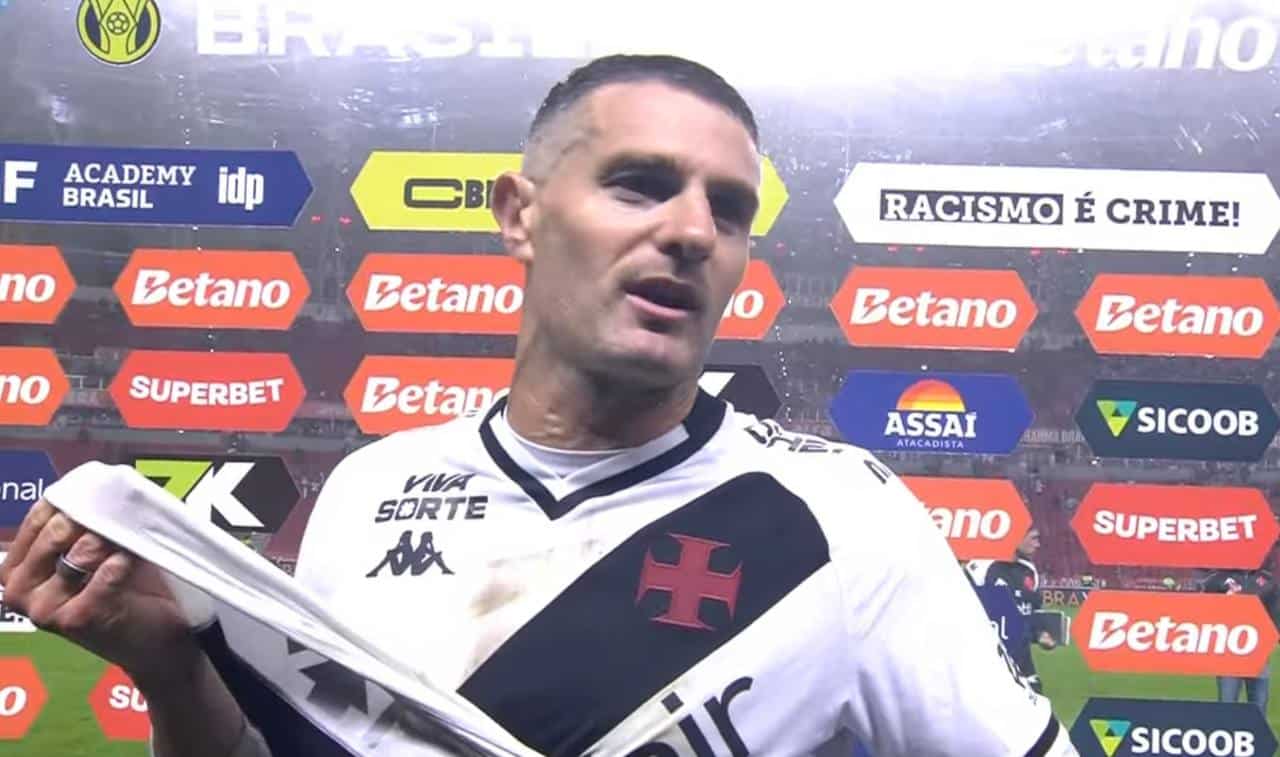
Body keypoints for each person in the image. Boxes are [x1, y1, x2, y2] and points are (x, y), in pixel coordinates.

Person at [0, 54, 1078, 756]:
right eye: (639, 184)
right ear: (518, 214)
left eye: (729, 209)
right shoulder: (369, 491)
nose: (691, 231)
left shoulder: (842, 524)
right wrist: (169, 670)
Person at [966, 527, 1060, 694]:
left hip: (1022, 661)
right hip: (987, 661)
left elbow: (1031, 614)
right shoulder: (980, 568)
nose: (1037, 544)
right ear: (1016, 536)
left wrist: (1040, 634)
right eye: (1033, 538)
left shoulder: (1029, 570)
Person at [1203, 566, 1279, 711]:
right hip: (1229, 651)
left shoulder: (1267, 580)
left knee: (1259, 703)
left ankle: (1256, 727)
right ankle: (1226, 725)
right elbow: (1204, 608)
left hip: (1258, 649)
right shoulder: (1218, 579)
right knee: (1227, 704)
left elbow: (1275, 613)